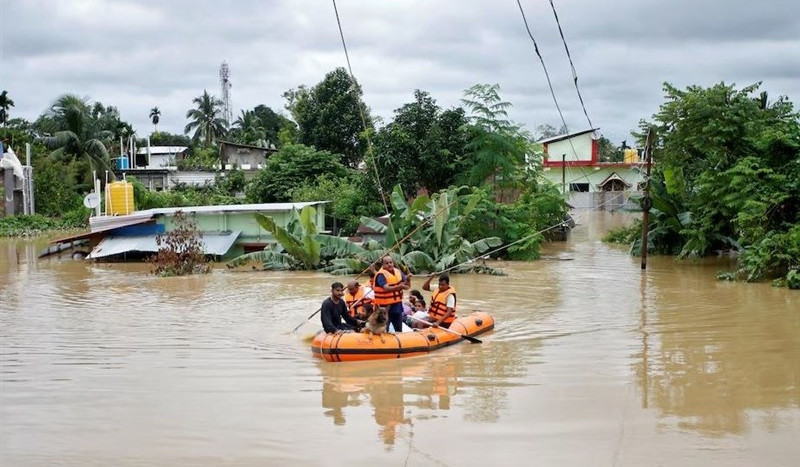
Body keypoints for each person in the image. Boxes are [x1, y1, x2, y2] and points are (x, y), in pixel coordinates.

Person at [372, 255, 410, 333]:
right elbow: (386, 288)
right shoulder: (381, 275)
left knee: (398, 327)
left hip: (397, 304)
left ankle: (399, 338)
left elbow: (407, 287)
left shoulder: (398, 271)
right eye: (386, 263)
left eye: (391, 262)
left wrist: (408, 279)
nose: (389, 264)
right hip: (384, 306)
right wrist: (399, 286)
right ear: (382, 265)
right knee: (385, 327)